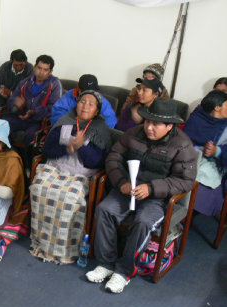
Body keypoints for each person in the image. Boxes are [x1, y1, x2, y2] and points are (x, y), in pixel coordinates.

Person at [86, 98, 198, 293]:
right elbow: (113, 158)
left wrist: (152, 188)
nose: (149, 128)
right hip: (128, 189)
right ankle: (106, 263)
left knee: (144, 222)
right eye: (147, 121)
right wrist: (121, 182)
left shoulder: (182, 145)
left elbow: (185, 181)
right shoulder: (133, 134)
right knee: (104, 209)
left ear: (170, 126)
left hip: (157, 197)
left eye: (156, 124)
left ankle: (124, 271)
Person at [30, 90, 112, 264]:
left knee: (69, 198)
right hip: (56, 167)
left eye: (91, 104)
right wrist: (67, 148)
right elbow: (48, 150)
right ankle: (41, 243)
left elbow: (97, 162)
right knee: (39, 188)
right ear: (77, 104)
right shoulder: (64, 121)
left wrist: (82, 146)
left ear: (97, 111)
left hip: (81, 174)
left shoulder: (101, 129)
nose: (85, 106)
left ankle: (65, 249)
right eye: (83, 102)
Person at [184, 90, 227, 216]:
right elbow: (184, 140)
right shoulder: (198, 117)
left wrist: (217, 151)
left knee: (199, 187)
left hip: (217, 162)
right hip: (191, 157)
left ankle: (185, 217)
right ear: (217, 108)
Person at [3, 54, 62, 147]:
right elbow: (12, 99)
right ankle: (7, 155)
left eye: (45, 70)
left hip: (39, 121)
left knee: (30, 136)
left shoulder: (54, 84)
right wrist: (15, 103)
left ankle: (26, 161)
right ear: (34, 67)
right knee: (2, 125)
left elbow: (53, 108)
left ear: (50, 71)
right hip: (21, 117)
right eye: (39, 68)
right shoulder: (25, 82)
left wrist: (34, 112)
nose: (41, 72)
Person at [0, 49, 33, 129]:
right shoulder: (5, 66)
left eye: (21, 65)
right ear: (11, 61)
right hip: (2, 96)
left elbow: (28, 90)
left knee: (12, 110)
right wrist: (1, 90)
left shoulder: (30, 70)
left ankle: (0, 136)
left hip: (18, 99)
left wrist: (11, 93)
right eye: (16, 65)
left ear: (25, 61)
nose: (19, 67)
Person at [50, 74, 117, 128]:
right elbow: (57, 113)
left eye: (92, 91)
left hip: (91, 132)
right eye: (85, 91)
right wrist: (71, 127)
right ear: (78, 89)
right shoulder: (69, 95)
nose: (88, 94)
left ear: (97, 91)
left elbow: (111, 121)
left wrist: (95, 131)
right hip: (68, 129)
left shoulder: (102, 101)